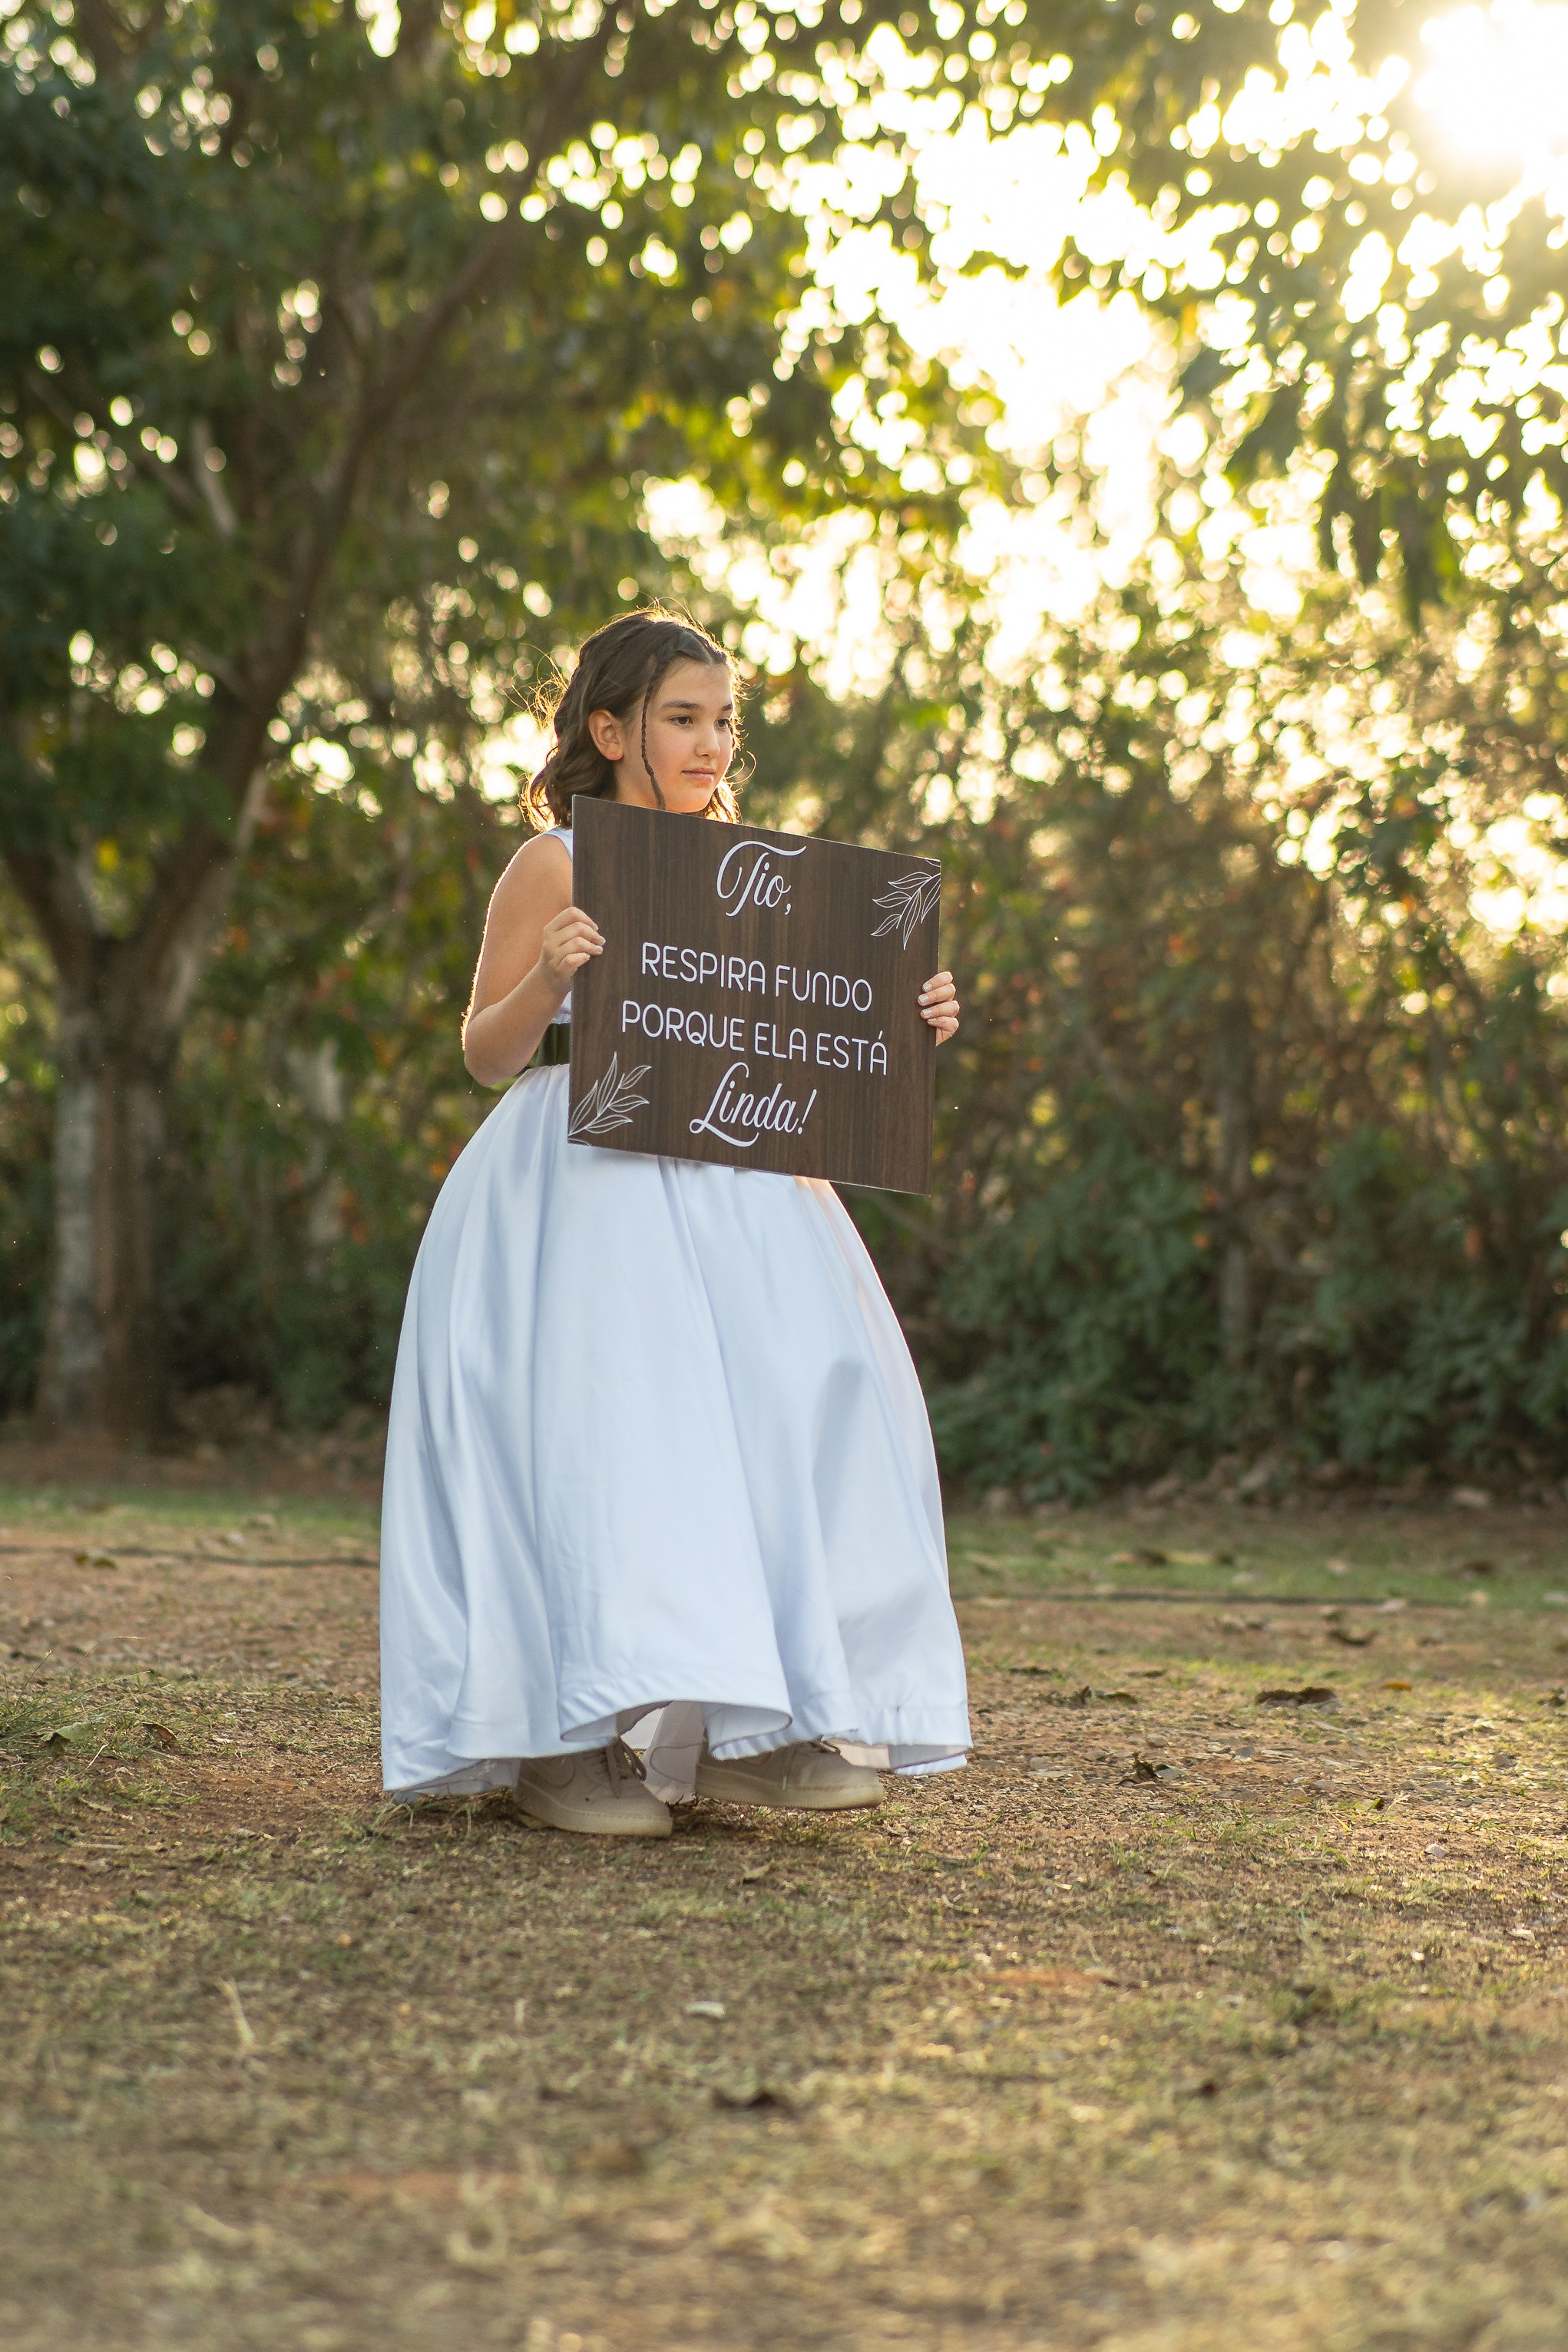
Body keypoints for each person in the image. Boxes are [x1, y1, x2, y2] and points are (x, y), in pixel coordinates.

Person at [379, 608, 971, 1836]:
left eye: (723, 722)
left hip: (733, 1185)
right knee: (606, 1435)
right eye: (681, 719)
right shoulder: (554, 863)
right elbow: (485, 1052)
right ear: (611, 731)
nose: (710, 745)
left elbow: (797, 1047)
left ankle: (762, 1724)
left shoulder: (755, 876)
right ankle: (559, 1742)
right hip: (577, 1179)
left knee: (782, 1408)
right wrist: (550, 974)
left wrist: (900, 1023)